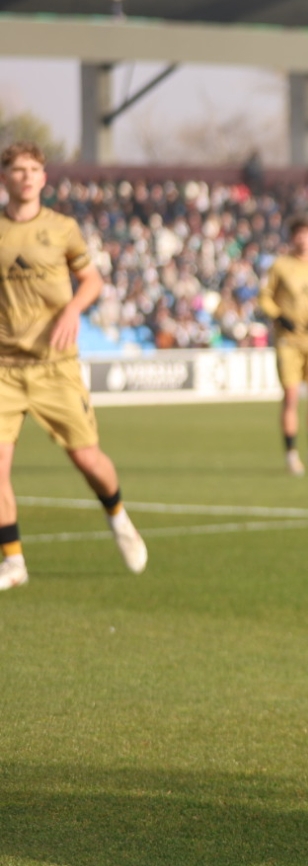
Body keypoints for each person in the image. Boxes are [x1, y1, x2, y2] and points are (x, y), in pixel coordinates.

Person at [0, 141, 147, 591]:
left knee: (87, 459)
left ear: (44, 178)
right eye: (17, 169)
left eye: (33, 169)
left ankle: (118, 514)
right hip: (4, 368)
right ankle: (13, 561)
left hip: (54, 367)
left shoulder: (62, 229)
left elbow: (92, 279)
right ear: (5, 177)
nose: (25, 176)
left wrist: (71, 311)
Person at [260, 216, 308, 475]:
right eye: (299, 233)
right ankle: (292, 454)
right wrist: (279, 316)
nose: (303, 238)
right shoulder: (280, 266)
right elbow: (265, 298)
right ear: (293, 237)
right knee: (291, 396)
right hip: (287, 340)